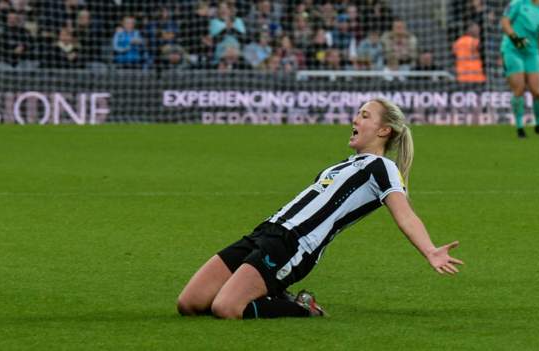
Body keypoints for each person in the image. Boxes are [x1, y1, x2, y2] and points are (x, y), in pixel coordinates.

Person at [177, 99, 464, 319]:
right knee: (189, 303)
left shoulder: (383, 167)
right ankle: (272, 291)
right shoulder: (343, 164)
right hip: (266, 231)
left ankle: (302, 308)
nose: (355, 119)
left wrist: (429, 250)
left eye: (365, 116)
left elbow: (405, 214)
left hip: (294, 244)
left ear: (383, 130)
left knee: (226, 308)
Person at [500, 0, 539, 138]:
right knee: (519, 88)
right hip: (513, 49)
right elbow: (505, 22)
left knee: (538, 92)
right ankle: (519, 127)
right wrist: (515, 39)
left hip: (532, 52)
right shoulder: (518, 3)